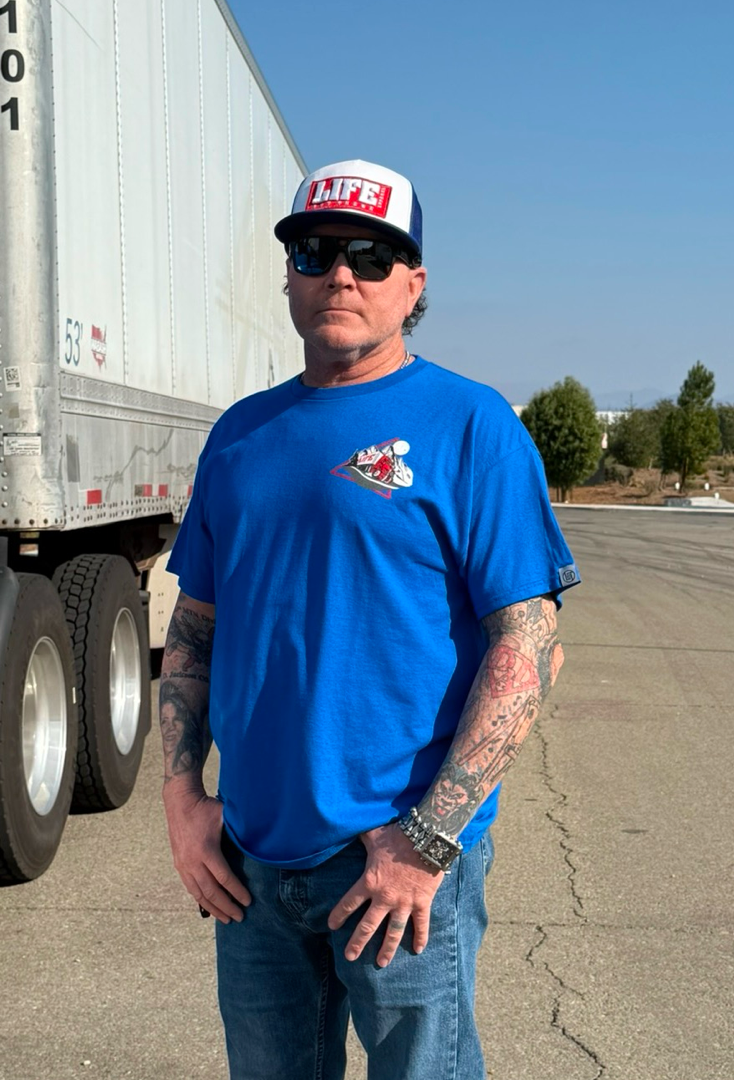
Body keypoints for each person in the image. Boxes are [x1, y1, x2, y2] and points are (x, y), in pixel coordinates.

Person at [160, 159, 580, 1080]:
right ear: (289, 275)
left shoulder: (471, 426)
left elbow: (530, 648)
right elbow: (194, 630)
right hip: (254, 872)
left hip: (400, 872)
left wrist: (428, 842)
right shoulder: (240, 435)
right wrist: (183, 798)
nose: (340, 273)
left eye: (371, 254)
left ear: (414, 283)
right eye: (315, 251)